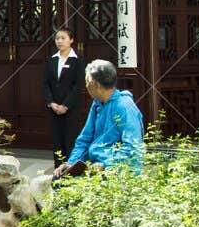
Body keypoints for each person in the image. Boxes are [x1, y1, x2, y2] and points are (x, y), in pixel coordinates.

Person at [54, 59, 144, 178]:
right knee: (59, 179)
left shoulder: (124, 106)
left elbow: (133, 148)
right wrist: (72, 163)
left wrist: (105, 164)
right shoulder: (97, 103)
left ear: (94, 84)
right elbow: (85, 138)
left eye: (86, 81)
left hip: (118, 170)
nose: (85, 85)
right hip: (95, 166)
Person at [42, 27, 87, 167]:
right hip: (54, 107)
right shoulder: (51, 60)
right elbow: (45, 83)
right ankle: (58, 172)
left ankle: (71, 169)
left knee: (71, 139)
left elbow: (78, 85)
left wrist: (65, 105)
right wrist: (51, 102)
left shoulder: (78, 60)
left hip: (71, 107)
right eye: (57, 38)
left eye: (63, 38)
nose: (60, 41)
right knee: (57, 141)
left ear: (71, 40)